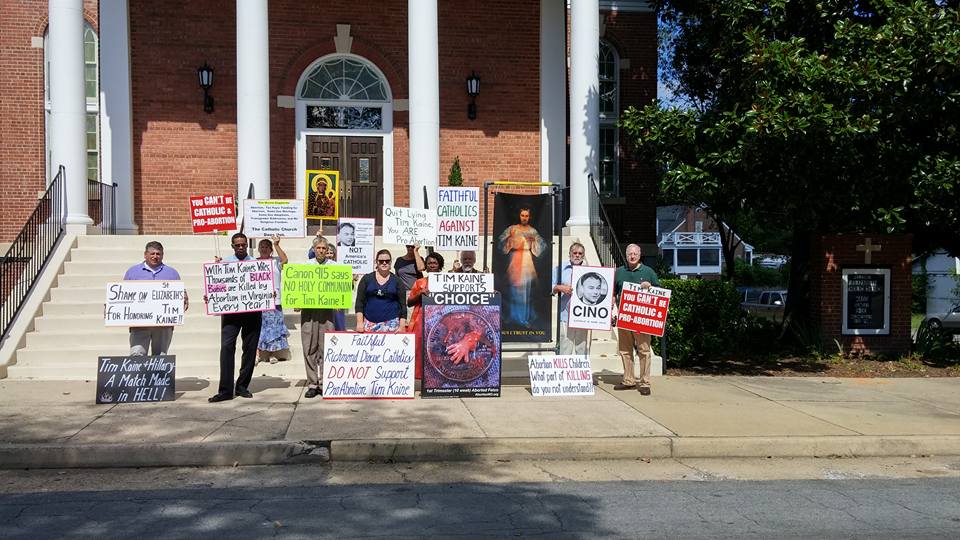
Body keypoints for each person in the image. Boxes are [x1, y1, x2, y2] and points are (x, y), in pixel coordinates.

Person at [207, 232, 262, 403]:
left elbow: (263, 285)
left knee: (250, 350)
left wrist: (269, 292)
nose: (240, 247)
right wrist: (212, 294)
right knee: (227, 348)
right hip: (231, 313)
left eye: (243, 245)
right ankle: (225, 390)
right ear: (232, 246)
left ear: (247, 245)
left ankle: (242, 386)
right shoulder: (225, 264)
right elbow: (218, 286)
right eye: (237, 245)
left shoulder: (256, 264)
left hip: (252, 312)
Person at [121, 241, 188, 356]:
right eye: (152, 254)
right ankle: (140, 375)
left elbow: (181, 294)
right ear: (145, 254)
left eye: (158, 254)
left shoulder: (172, 273)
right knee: (137, 355)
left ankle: (158, 375)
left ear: (162, 255)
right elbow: (123, 296)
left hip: (163, 325)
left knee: (160, 357)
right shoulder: (132, 272)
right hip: (139, 324)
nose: (155, 257)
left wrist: (184, 298)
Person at [613, 243, 660, 395]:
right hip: (624, 317)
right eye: (629, 254)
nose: (632, 256)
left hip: (642, 319)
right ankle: (629, 380)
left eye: (635, 254)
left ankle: (645, 382)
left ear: (640, 256)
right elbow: (613, 291)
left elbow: (660, 294)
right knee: (625, 350)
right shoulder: (619, 272)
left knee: (644, 350)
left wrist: (650, 287)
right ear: (626, 255)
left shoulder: (648, 272)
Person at [300, 236, 339, 398]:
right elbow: (298, 286)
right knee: (309, 346)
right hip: (309, 310)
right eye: (319, 248)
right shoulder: (306, 266)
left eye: (324, 248)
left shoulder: (335, 267)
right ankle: (312, 383)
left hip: (327, 311)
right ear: (314, 249)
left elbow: (341, 287)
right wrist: (297, 300)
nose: (321, 251)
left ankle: (324, 382)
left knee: (326, 346)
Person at [497, 206, 546, 326]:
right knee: (512, 289)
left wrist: (534, 240)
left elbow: (542, 245)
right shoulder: (512, 229)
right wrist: (509, 238)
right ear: (519, 216)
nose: (524, 218)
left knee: (525, 290)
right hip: (514, 259)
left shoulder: (532, 231)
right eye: (522, 215)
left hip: (527, 262)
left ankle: (524, 318)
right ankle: (512, 316)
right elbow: (500, 241)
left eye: (526, 216)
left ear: (530, 217)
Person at [408, 252, 444, 379]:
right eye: (429, 263)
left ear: (440, 265)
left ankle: (437, 376)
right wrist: (420, 294)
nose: (432, 265)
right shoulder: (419, 282)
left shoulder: (448, 282)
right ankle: (420, 376)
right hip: (421, 320)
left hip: (441, 321)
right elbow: (409, 302)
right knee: (420, 348)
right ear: (426, 266)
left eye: (435, 263)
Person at [256, 236, 290, 364]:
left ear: (270, 250)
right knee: (258, 328)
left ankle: (271, 353)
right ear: (259, 249)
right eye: (262, 247)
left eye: (266, 247)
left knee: (274, 328)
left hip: (274, 301)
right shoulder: (253, 262)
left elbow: (285, 260)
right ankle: (257, 354)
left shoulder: (276, 261)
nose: (264, 249)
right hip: (258, 301)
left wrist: (276, 245)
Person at [356, 249, 408, 333]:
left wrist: (402, 326)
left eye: (387, 261)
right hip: (369, 324)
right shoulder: (367, 279)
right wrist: (359, 322)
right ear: (376, 262)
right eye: (381, 261)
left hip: (391, 325)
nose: (384, 263)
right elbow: (359, 302)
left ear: (390, 262)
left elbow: (403, 305)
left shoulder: (397, 281)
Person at [552, 242, 587, 355]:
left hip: (583, 316)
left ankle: (580, 372)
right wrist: (559, 287)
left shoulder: (590, 270)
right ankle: (564, 372)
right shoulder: (560, 268)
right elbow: (550, 285)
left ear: (583, 255)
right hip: (565, 315)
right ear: (569, 254)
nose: (577, 255)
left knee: (581, 348)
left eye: (580, 253)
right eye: (574, 253)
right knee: (565, 347)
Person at [325, 243, 348, 331]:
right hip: (323, 299)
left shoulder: (339, 266)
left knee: (339, 323)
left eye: (331, 253)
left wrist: (352, 280)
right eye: (327, 253)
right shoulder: (318, 266)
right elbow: (311, 254)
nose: (329, 255)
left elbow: (347, 287)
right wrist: (318, 237)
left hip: (337, 300)